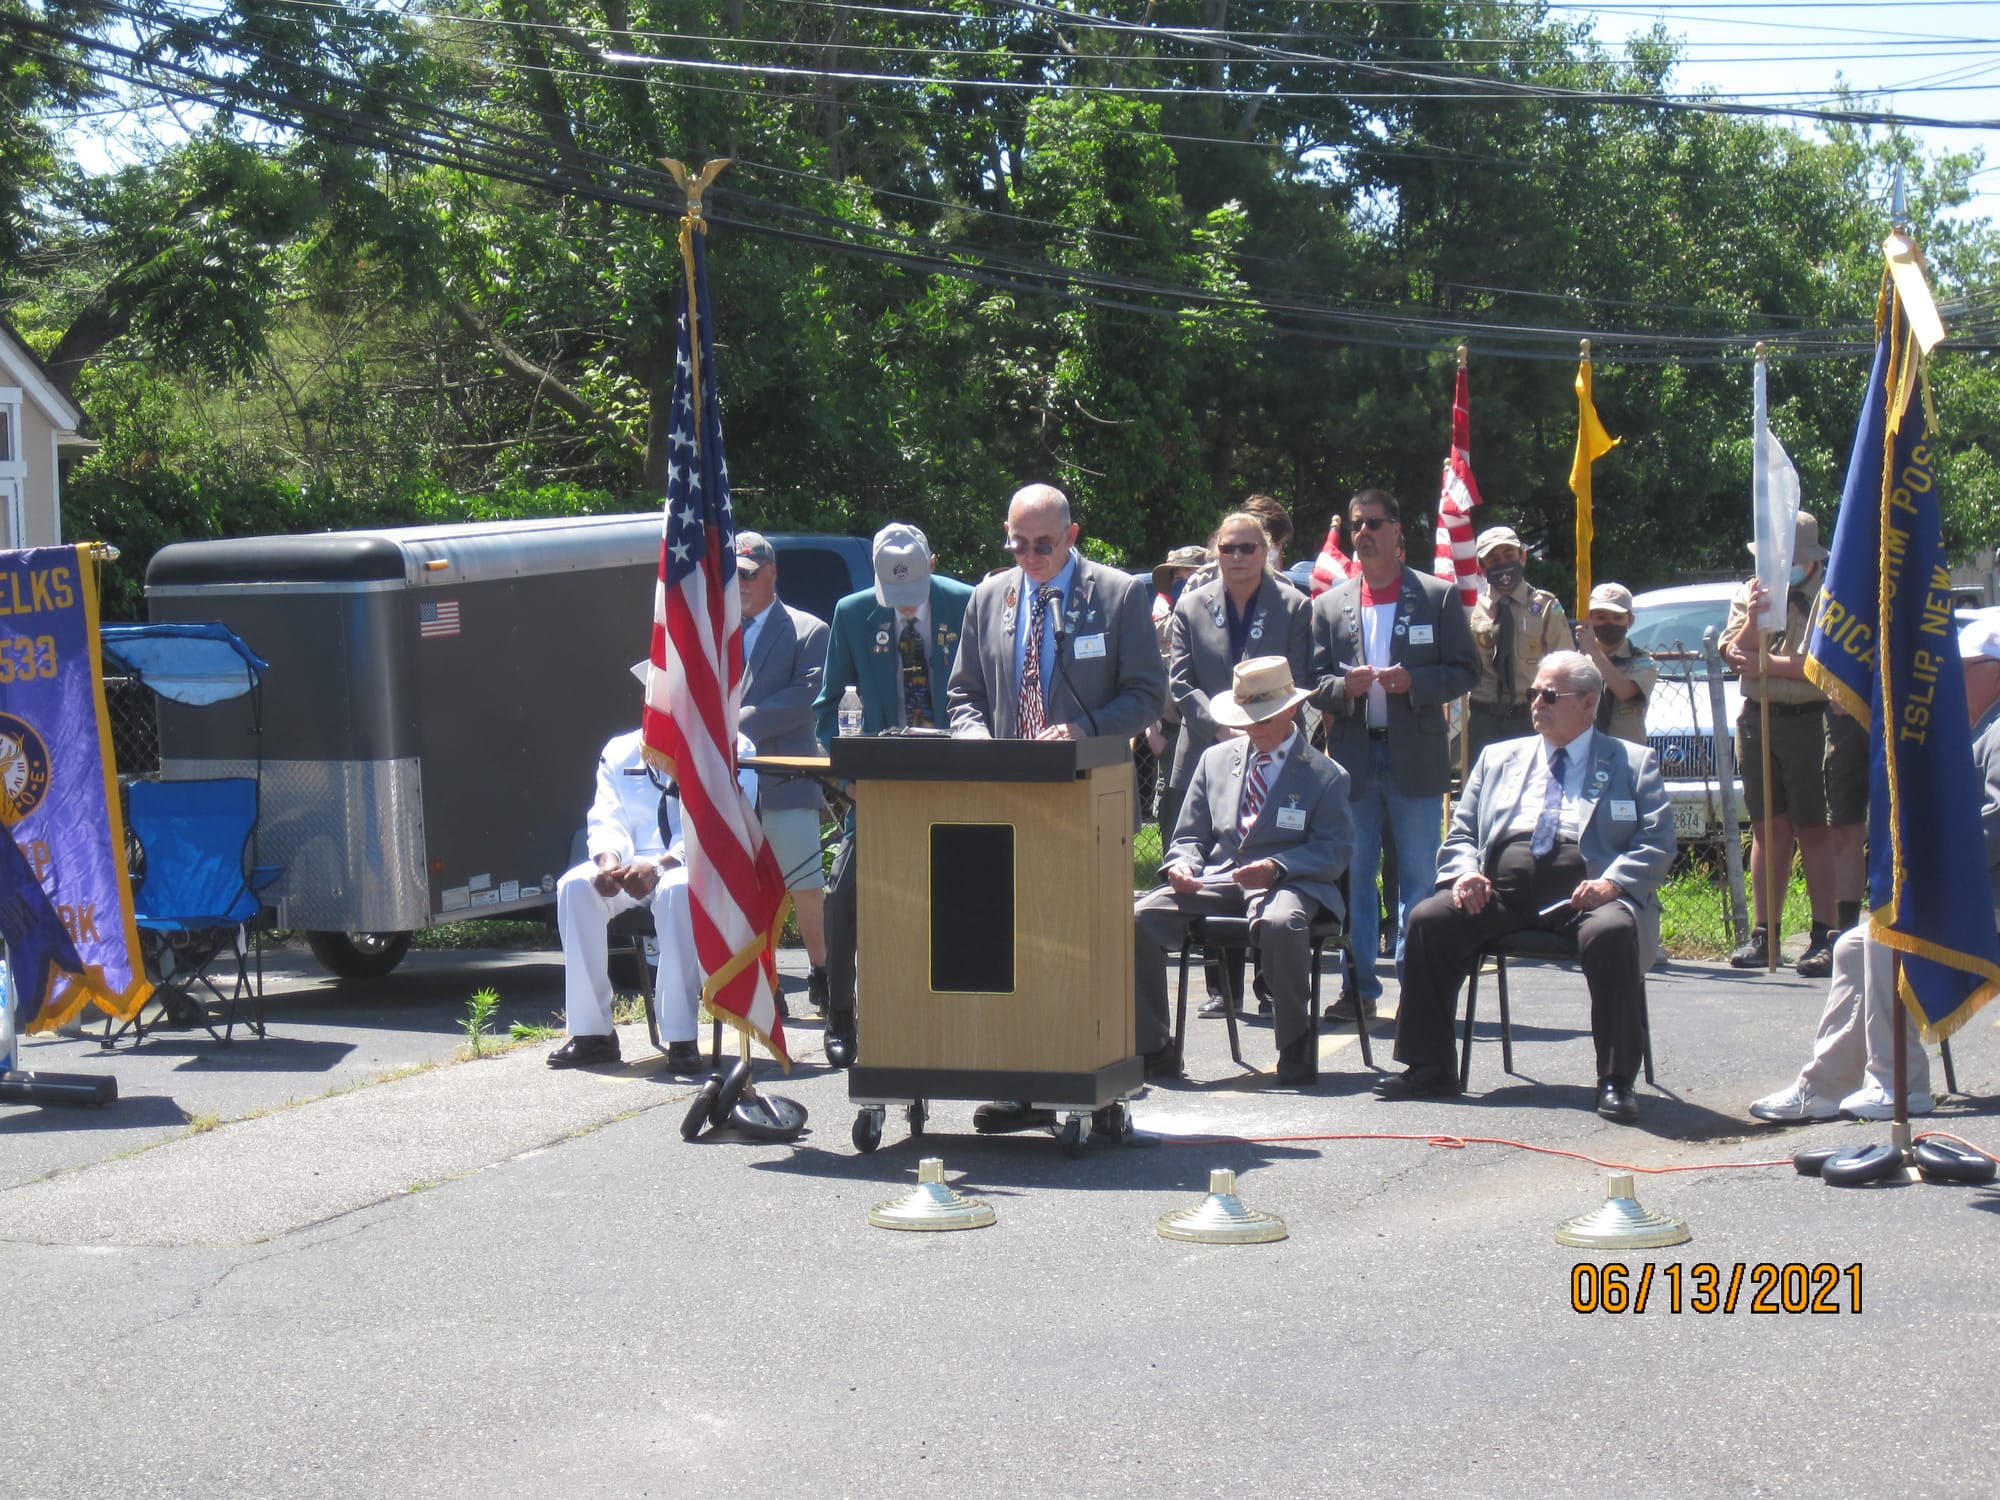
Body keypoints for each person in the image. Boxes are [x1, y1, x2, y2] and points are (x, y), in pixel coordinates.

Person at [1375, 651, 1673, 1124]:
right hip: (1501, 893)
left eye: (1550, 695)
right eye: (1534, 692)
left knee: (1615, 933)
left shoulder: (1630, 763)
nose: (1537, 702)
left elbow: (1656, 842)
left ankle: (1616, 1079)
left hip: (1587, 894)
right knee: (1428, 919)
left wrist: (1612, 884)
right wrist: (1465, 872)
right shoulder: (1499, 758)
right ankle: (1429, 1067)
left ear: (1589, 703)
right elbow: (1462, 833)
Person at [1747, 610, 2000, 1123]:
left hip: (1985, 899)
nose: (1949, 681)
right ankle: (1826, 1084)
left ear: (1994, 671)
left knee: (1887, 938)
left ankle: (1899, 1084)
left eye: (1963, 668)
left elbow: (1994, 822)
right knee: (1854, 943)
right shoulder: (1974, 731)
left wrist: (1928, 856)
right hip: (1964, 893)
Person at [1132, 656, 1354, 1086]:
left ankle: (1294, 1045)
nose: (1255, 728)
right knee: (1140, 919)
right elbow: (1189, 836)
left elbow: (1334, 850)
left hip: (1292, 881)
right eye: (1247, 719)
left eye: (1264, 718)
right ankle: (1153, 1046)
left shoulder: (1326, 775)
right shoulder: (1215, 760)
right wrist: (1181, 865)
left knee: (1280, 923)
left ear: (1291, 709)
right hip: (1221, 877)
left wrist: (1277, 867)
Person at [1309, 487, 1477, 1022]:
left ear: (1399, 530)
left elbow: (1466, 671)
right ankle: (1359, 988)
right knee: (1357, 877)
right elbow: (1312, 682)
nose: (1364, 533)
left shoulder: (1436, 596)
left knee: (1418, 881)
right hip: (1355, 758)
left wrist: (1416, 682)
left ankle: (1418, 988)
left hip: (1416, 759)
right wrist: (1343, 689)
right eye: (1357, 524)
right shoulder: (1331, 605)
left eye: (1375, 523)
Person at [813, 522, 974, 1067]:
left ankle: (969, 1019)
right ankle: (840, 1014)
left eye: (913, 596)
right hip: (879, 784)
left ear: (932, 562)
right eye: (894, 597)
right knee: (842, 895)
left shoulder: (968, 603)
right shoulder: (852, 613)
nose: (906, 609)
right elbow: (827, 706)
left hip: (960, 775)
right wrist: (847, 776)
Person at [548, 712, 756, 1072]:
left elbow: (723, 822)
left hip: (699, 862)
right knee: (575, 887)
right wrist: (607, 863)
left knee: (676, 890)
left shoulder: (733, 746)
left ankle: (680, 1036)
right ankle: (592, 1035)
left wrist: (662, 865)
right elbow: (606, 816)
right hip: (632, 862)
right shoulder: (620, 750)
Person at [1168, 512, 1314, 1018]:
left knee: (1267, 852)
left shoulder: (1294, 605)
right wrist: (1219, 728)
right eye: (1228, 548)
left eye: (1248, 548)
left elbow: (1298, 678)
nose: (1237, 557)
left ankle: (1269, 981)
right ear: (1215, 551)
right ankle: (1220, 986)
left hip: (1273, 747)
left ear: (1268, 551)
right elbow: (1181, 682)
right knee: (1207, 858)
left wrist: (1254, 729)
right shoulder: (1190, 605)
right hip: (1206, 751)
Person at [945, 483, 1165, 746]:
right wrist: (974, 736)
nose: (1030, 556)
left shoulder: (1120, 594)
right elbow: (964, 694)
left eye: (1043, 545)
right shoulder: (986, 598)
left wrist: (1086, 730)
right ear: (1007, 532)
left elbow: (1148, 694)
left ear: (1070, 536)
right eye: (1018, 544)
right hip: (1004, 777)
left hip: (1088, 775)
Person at [1719, 512, 1837, 975]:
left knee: (1814, 829)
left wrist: (1760, 660)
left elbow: (1816, 666)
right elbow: (1733, 653)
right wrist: (1753, 617)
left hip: (1813, 720)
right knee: (1769, 829)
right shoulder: (1754, 590)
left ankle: (1824, 933)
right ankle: (1764, 935)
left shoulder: (1830, 595)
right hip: (1760, 718)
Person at [735, 530, 832, 1015]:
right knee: (752, 891)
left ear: (772, 573)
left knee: (805, 886)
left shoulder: (808, 630)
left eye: (750, 574)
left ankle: (823, 974)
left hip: (787, 781)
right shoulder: (717, 632)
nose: (741, 584)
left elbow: (801, 702)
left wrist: (734, 722)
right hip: (735, 788)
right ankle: (766, 983)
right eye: (733, 575)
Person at [1466, 526, 1572, 763]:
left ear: (1522, 557)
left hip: (1531, 718)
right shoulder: (1472, 610)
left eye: (1508, 555)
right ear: (1481, 567)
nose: (1502, 563)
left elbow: (1564, 666)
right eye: (1493, 558)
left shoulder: (1545, 606)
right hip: (1485, 720)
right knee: (1486, 794)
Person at [1149, 543, 1209, 834]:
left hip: (1212, 732)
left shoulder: (1217, 625)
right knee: (1172, 823)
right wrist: (1153, 733)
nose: (1183, 582)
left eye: (1190, 574)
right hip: (1172, 735)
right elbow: (1143, 678)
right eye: (1176, 576)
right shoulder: (1160, 624)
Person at [1575, 582, 1657, 747]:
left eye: (1617, 617)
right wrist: (1584, 653)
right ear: (1589, 619)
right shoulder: (1578, 660)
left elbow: (1625, 691)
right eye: (1601, 617)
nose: (1609, 623)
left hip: (1627, 753)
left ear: (1630, 620)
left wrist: (1594, 651)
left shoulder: (1641, 661)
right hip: (1585, 751)